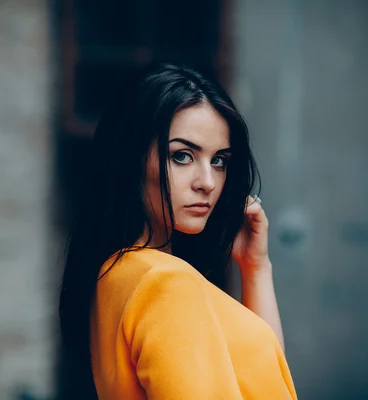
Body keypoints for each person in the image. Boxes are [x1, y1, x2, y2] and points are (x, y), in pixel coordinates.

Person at [58, 63, 297, 399]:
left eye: (219, 160)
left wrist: (255, 268)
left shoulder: (117, 273)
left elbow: (265, 379)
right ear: (132, 158)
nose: (208, 183)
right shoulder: (167, 284)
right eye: (182, 156)